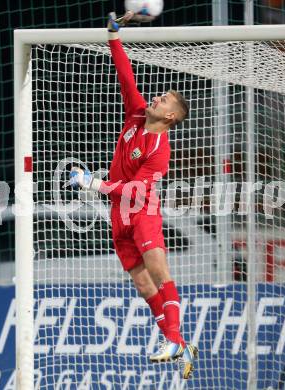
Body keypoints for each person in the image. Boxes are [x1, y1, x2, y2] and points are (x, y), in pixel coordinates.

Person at [69, 11, 197, 379]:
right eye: (160, 94)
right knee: (143, 285)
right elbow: (126, 76)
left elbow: (136, 189)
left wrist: (94, 184)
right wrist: (113, 36)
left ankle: (172, 338)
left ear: (172, 116)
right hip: (117, 214)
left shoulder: (160, 149)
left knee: (158, 273)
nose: (157, 97)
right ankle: (178, 342)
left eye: (165, 99)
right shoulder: (137, 116)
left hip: (142, 211)